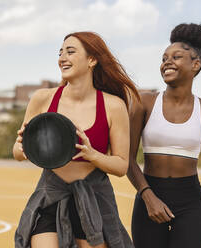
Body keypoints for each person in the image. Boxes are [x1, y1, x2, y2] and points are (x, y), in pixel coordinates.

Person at [13, 31, 139, 248]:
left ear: (92, 60)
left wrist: (93, 155)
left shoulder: (113, 105)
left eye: (70, 52)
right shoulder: (43, 98)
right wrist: (23, 146)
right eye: (60, 52)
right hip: (50, 193)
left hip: (94, 198)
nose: (62, 57)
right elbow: (17, 153)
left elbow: (121, 165)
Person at [127, 23, 201, 248]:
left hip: (191, 202)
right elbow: (128, 159)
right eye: (164, 58)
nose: (167, 62)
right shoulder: (144, 103)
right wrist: (148, 197)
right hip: (149, 196)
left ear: (196, 64)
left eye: (176, 56)